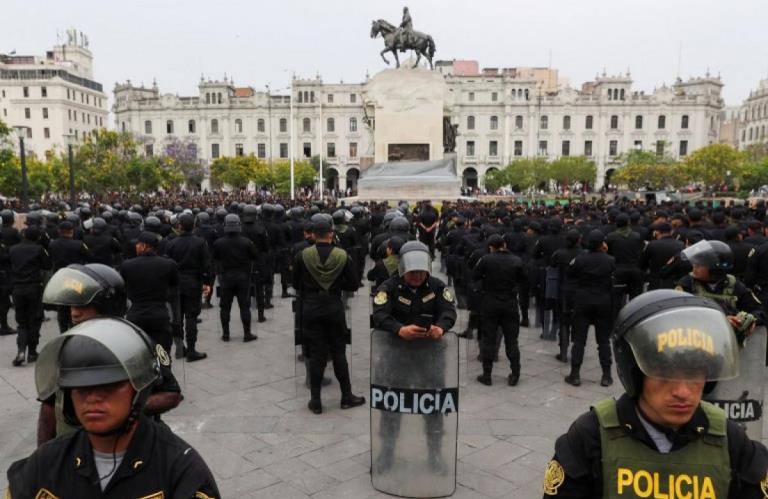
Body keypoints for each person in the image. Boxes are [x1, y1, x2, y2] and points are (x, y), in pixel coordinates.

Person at [542, 289, 768, 498]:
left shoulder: (731, 440)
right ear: (636, 373)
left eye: (695, 373)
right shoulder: (591, 437)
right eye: (665, 375)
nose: (682, 392)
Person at [6, 317, 218, 497]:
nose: (93, 398)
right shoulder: (45, 464)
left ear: (139, 389)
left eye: (109, 386)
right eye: (80, 387)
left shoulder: (180, 472)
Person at [38, 263, 182, 446]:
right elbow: (50, 405)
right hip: (73, 448)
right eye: (72, 304)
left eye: (84, 304)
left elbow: (171, 394)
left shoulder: (137, 344)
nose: (74, 312)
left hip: (130, 446)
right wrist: (42, 455)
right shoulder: (63, 346)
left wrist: (122, 409)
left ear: (106, 305)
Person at [371, 240, 457, 472]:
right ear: (402, 269)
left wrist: (441, 327)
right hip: (396, 357)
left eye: (421, 271)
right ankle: (386, 453)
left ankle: (435, 455)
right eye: (412, 272)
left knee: (434, 407)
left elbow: (449, 311)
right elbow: (379, 315)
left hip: (430, 358)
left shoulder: (438, 287)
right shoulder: (388, 288)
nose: (417, 276)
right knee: (391, 406)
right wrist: (399, 329)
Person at [292, 216, 365, 414]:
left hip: (311, 308)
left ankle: (316, 400)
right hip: (334, 306)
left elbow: (294, 282)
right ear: (331, 234)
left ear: (313, 235)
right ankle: (346, 397)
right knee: (339, 353)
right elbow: (353, 284)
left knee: (316, 355)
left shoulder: (302, 255)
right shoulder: (342, 255)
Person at [565, 229, 616, 387]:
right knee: (603, 341)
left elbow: (570, 273)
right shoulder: (610, 260)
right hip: (603, 301)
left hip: (583, 300)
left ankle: (575, 374)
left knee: (579, 340)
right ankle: (606, 375)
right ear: (602, 244)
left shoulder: (580, 258)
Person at [473, 234, 524, 386]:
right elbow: (523, 280)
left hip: (490, 302)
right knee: (512, 340)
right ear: (504, 245)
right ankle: (515, 373)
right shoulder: (517, 260)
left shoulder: (486, 260)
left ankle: (487, 374)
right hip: (509, 302)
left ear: (491, 247)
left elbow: (475, 276)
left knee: (489, 338)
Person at [120, 231, 180, 353]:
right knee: (163, 354)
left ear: (144, 246)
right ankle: (164, 371)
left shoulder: (127, 265)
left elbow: (123, 287)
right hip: (159, 314)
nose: (135, 246)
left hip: (136, 314)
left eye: (138, 244)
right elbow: (174, 285)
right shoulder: (169, 264)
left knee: (139, 353)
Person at [164, 213, 211, 361]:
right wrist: (207, 282)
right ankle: (191, 349)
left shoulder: (171, 243)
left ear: (179, 226)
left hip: (176, 284)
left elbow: (167, 265)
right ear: (194, 226)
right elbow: (206, 265)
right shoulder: (200, 242)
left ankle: (180, 348)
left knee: (178, 318)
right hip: (193, 283)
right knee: (191, 316)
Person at [212, 214, 259, 342]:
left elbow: (215, 258)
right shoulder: (246, 242)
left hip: (226, 277)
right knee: (244, 306)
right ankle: (247, 333)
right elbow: (255, 257)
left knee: (225, 307)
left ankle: (226, 334)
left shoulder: (218, 243)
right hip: (243, 277)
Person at [9, 226, 51, 366]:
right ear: (38, 237)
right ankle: (32, 352)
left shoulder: (12, 249)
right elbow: (47, 265)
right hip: (34, 287)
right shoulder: (39, 249)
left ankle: (21, 351)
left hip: (17, 288)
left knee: (21, 322)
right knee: (34, 320)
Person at [47, 220, 93, 333]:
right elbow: (90, 257)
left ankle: (63, 330)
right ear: (72, 231)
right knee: (75, 304)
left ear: (59, 231)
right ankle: (75, 329)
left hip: (60, 278)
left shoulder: (52, 244)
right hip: (75, 278)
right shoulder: (79, 244)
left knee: (62, 305)